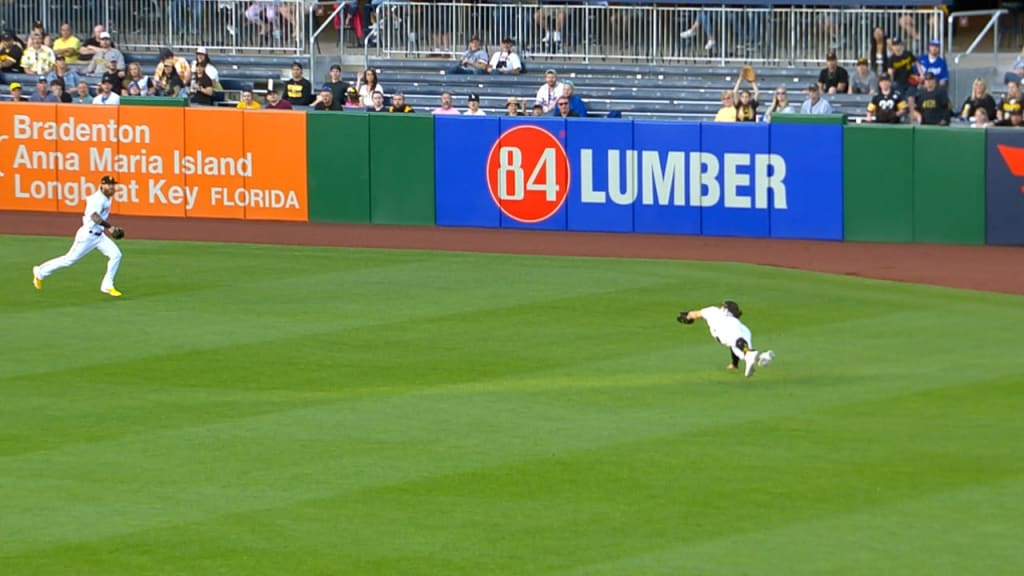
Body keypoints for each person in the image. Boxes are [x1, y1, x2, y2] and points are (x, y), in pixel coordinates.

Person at [33, 175, 125, 297]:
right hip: (87, 235)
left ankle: (107, 285)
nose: (112, 187)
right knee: (69, 260)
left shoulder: (107, 197)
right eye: (109, 185)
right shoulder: (96, 199)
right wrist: (111, 228)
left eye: (113, 185)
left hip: (99, 236)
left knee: (116, 255)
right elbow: (94, 217)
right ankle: (40, 271)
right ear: (102, 185)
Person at [676, 300, 775, 378]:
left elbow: (695, 314)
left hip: (723, 328)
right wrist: (734, 364)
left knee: (737, 342)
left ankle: (750, 354)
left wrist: (688, 316)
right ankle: (761, 357)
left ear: (724, 308)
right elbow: (733, 346)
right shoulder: (737, 323)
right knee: (739, 348)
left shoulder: (713, 311)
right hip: (743, 330)